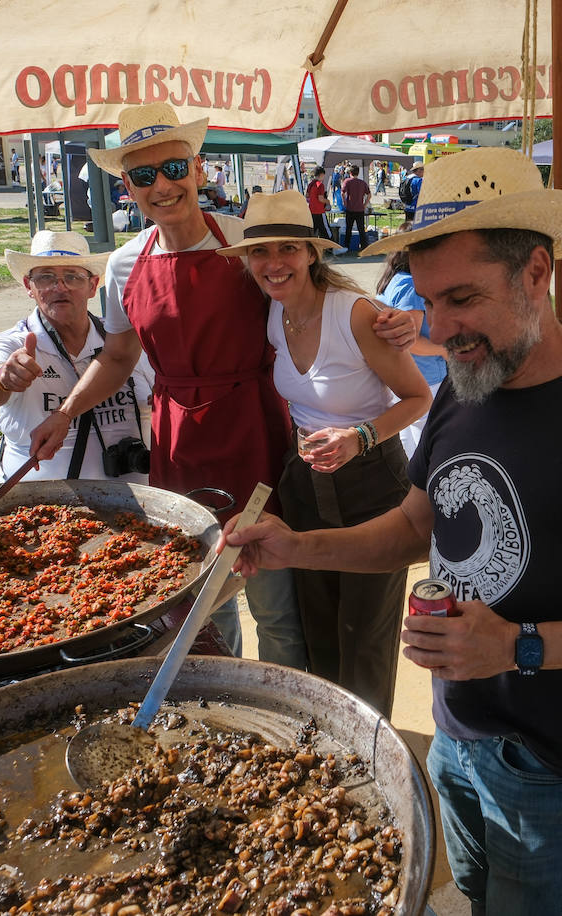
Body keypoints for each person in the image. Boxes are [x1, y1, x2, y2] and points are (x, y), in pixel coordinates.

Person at [224, 147, 562, 916]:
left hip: (550, 758)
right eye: (426, 301)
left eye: (463, 298)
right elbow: (413, 529)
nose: (442, 328)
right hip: (455, 732)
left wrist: (520, 645)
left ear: (535, 273)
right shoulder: (464, 387)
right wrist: (296, 545)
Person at [29, 103, 318, 669]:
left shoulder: (244, 239)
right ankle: (222, 689)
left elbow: (314, 303)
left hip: (254, 423)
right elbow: (117, 355)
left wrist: (378, 321)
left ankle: (292, 699)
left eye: (173, 168)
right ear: (127, 188)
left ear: (198, 169)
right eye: (142, 175)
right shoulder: (121, 263)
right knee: (200, 592)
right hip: (178, 433)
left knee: (275, 595)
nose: (161, 185)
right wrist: (66, 412)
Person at [219, 192, 431, 716]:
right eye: (260, 253)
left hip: (372, 483)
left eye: (287, 248)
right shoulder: (274, 314)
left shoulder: (354, 313)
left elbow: (417, 397)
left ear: (311, 253)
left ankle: (371, 744)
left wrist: (356, 437)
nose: (273, 264)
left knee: (365, 633)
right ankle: (329, 735)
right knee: (317, 619)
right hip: (305, 483)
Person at [0, 230, 155, 484]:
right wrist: (2, 377)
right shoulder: (17, 343)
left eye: (72, 276)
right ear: (28, 286)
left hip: (139, 505)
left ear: (92, 286)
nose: (60, 287)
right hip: (41, 509)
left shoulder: (123, 342)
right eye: (46, 277)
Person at [376, 221, 447, 455]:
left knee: (408, 443)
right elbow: (412, 341)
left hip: (399, 376)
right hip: (425, 378)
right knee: (428, 445)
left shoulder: (393, 281)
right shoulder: (410, 286)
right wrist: (445, 351)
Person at [341, 164, 370, 252]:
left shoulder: (347, 181)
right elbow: (369, 194)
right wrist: (365, 204)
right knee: (361, 229)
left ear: (350, 172)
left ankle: (346, 247)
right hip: (360, 209)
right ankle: (364, 247)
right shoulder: (362, 182)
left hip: (350, 208)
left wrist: (345, 202)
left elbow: (342, 192)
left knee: (348, 229)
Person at [305, 166, 332, 240]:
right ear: (322, 175)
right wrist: (328, 202)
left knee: (312, 231)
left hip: (312, 210)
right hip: (319, 211)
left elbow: (307, 195)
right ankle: (333, 247)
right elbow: (321, 198)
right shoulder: (320, 185)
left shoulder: (311, 184)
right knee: (326, 230)